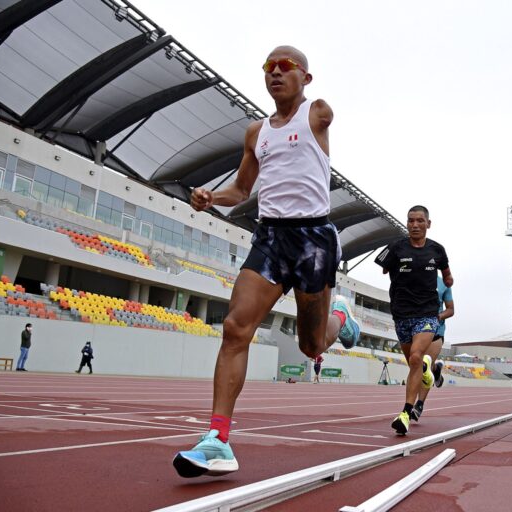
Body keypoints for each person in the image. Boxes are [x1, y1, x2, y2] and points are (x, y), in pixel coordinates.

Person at [173, 46, 361, 478]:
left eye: (286, 67)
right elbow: (241, 191)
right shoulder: (256, 134)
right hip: (271, 237)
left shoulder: (316, 112)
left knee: (311, 346)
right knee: (235, 327)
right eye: (268, 68)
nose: (275, 74)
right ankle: (217, 439)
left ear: (305, 78)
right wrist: (209, 197)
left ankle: (340, 320)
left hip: (313, 239)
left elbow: (324, 113)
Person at [375, 206, 452, 435]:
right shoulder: (396, 247)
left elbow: (447, 277)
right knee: (414, 364)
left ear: (428, 224)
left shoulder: (437, 250)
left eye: (420, 221)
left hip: (428, 314)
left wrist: (448, 280)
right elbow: (383, 269)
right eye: (411, 221)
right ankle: (428, 376)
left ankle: (405, 413)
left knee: (417, 356)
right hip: (402, 314)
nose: (415, 225)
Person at [410, 276, 454, 422]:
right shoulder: (413, 275)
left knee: (425, 367)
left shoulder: (443, 284)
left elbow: (451, 310)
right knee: (420, 365)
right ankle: (436, 370)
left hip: (436, 331)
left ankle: (419, 405)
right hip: (416, 329)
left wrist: (438, 317)